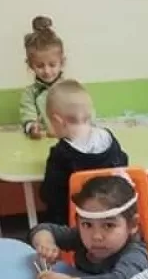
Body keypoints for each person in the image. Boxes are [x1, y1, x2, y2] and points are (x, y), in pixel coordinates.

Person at [28, 173, 148, 279]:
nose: (96, 236)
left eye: (108, 225)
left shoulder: (135, 253)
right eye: (87, 224)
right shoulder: (81, 237)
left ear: (132, 224)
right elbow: (42, 229)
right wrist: (46, 243)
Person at [40, 80, 128, 227]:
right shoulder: (109, 140)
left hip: (77, 222)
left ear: (58, 121)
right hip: (114, 217)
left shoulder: (61, 154)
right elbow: (124, 162)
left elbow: (49, 194)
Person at [19, 16, 65, 139]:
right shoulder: (29, 94)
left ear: (62, 62)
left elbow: (85, 114)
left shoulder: (70, 89)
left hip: (68, 140)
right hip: (42, 141)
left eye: (52, 65)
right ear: (30, 65)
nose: (47, 71)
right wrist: (32, 127)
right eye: (40, 66)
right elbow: (27, 116)